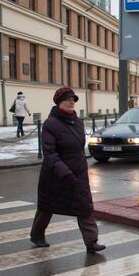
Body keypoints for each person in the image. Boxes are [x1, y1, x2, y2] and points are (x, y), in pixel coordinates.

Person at [30, 86, 105, 253]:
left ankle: (91, 242)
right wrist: (64, 172)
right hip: (55, 176)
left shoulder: (77, 122)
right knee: (46, 207)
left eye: (73, 99)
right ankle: (36, 235)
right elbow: (49, 153)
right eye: (67, 99)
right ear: (58, 103)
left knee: (85, 206)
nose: (72, 102)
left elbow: (78, 148)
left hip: (78, 173)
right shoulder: (50, 124)